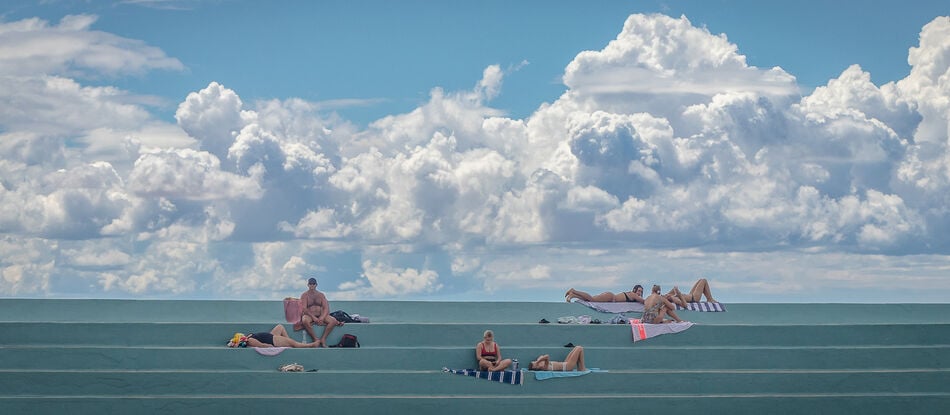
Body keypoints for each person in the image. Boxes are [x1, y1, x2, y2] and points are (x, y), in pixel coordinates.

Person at [294, 277, 341, 347]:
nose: (312, 285)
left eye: (313, 284)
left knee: (333, 321)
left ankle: (323, 339)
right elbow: (304, 308)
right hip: (310, 315)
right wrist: (313, 318)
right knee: (304, 320)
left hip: (320, 315)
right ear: (308, 285)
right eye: (310, 284)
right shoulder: (304, 295)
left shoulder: (321, 295)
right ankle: (315, 339)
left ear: (316, 285)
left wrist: (322, 317)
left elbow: (326, 307)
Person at [245, 324, 319, 348]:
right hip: (272, 340)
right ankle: (311, 345)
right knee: (293, 343)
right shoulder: (250, 340)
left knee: (280, 326)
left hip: (270, 336)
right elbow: (262, 345)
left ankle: (288, 342)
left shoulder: (249, 337)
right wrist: (271, 347)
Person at [564, 285, 644, 303]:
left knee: (589, 300)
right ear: (634, 290)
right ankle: (574, 291)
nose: (640, 293)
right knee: (592, 299)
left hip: (609, 297)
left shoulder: (634, 296)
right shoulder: (634, 295)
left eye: (641, 291)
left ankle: (573, 295)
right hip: (610, 297)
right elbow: (643, 301)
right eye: (639, 291)